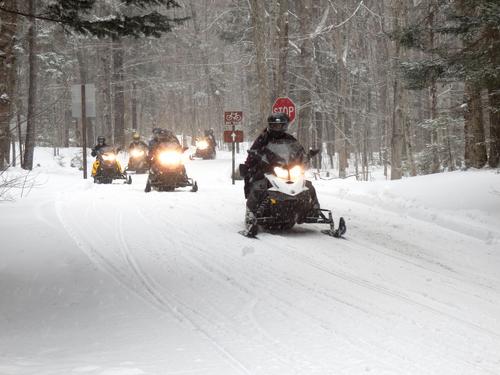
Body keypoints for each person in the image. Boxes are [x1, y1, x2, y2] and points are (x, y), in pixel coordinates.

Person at [242, 112, 320, 214]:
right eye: (275, 125)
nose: (277, 128)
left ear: (284, 126)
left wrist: (306, 156)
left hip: (287, 168)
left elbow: (299, 150)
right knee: (258, 184)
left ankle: (315, 209)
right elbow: (253, 150)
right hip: (268, 167)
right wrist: (252, 159)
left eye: (280, 125)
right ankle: (251, 212)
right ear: (270, 125)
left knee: (307, 185)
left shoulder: (289, 139)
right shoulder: (263, 138)